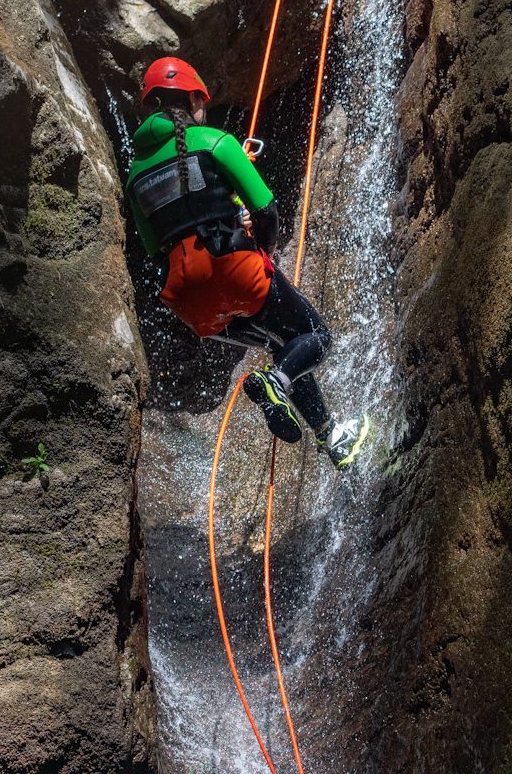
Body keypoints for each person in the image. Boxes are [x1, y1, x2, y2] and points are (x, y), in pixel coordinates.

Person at [123, 56, 370, 470]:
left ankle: (332, 437)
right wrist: (265, 254)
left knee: (285, 344)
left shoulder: (134, 177)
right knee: (316, 336)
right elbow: (268, 210)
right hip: (235, 274)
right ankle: (277, 382)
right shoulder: (215, 142)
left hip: (189, 305)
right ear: (195, 99)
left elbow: (157, 251)